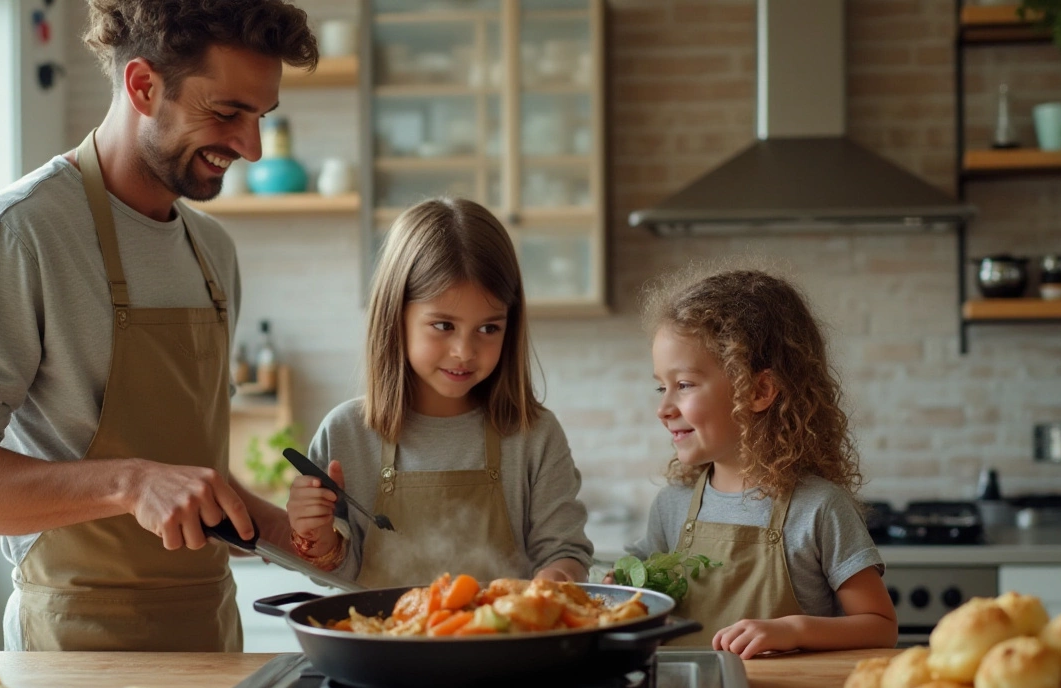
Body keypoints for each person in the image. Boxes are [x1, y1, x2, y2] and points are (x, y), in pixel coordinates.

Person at [0, 0, 318, 651]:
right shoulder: (21, 233)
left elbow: (191, 474)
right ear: (142, 85)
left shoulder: (212, 253)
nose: (252, 146)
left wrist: (296, 539)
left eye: (261, 117)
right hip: (74, 650)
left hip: (209, 635)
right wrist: (130, 483)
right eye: (228, 112)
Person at [285, 198, 593, 586]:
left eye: (488, 328)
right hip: (380, 646)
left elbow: (565, 552)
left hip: (507, 645)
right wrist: (314, 534)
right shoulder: (346, 433)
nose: (464, 351)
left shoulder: (535, 435)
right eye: (444, 325)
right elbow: (338, 573)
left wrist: (557, 579)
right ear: (396, 316)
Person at [623, 267, 897, 656]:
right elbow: (640, 595)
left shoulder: (819, 508)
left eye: (683, 385)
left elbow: (881, 627)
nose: (663, 408)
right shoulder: (672, 505)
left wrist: (795, 630)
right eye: (661, 386)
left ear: (759, 389)